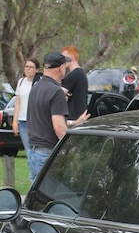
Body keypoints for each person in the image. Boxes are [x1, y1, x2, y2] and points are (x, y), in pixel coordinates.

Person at [26, 51, 88, 182]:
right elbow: (59, 127)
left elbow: (44, 119)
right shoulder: (56, 92)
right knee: (53, 197)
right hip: (48, 153)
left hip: (33, 152)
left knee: (36, 197)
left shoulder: (36, 88)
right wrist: (71, 150)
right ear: (61, 68)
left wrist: (74, 122)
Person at [12, 57, 40, 154]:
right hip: (23, 120)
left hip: (35, 120)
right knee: (28, 149)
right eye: (26, 66)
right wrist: (15, 121)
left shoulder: (39, 82)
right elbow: (18, 102)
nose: (28, 69)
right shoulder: (21, 82)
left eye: (31, 67)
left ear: (37, 69)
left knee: (36, 149)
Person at [61, 45, 90, 122]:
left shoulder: (75, 74)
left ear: (72, 57)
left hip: (74, 117)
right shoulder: (79, 73)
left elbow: (57, 93)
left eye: (64, 57)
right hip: (77, 115)